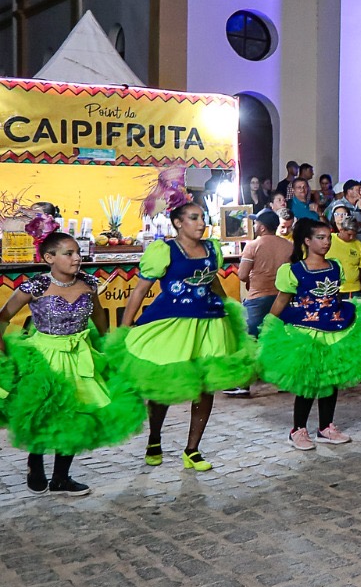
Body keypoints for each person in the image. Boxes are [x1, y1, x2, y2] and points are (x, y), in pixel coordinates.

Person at [107, 192, 256, 472]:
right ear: (178, 222)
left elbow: (213, 284)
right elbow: (141, 289)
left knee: (206, 385)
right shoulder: (164, 250)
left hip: (210, 324)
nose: (201, 223)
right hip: (172, 324)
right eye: (193, 218)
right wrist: (125, 327)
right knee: (165, 382)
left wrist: (228, 309)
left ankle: (193, 449)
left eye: (203, 218)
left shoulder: (212, 249)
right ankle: (154, 438)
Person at [0, 232, 141, 495]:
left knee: (78, 412)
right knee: (43, 411)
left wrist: (106, 348)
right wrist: (5, 352)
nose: (77, 258)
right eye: (69, 253)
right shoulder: (35, 287)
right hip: (44, 357)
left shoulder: (89, 283)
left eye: (78, 252)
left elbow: (100, 316)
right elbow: (3, 317)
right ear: (49, 258)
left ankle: (61, 478)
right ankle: (35, 460)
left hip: (80, 356)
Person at [258, 218, 361, 449]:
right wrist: (269, 327)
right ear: (307, 241)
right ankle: (298, 430)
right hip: (306, 332)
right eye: (320, 238)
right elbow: (281, 300)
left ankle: (325, 427)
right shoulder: (293, 270)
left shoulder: (335, 266)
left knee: (330, 380)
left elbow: (336, 297)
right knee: (309, 382)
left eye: (327, 237)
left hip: (335, 328)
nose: (326, 243)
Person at [234, 208, 294, 391]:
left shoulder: (253, 246)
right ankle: (284, 381)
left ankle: (243, 385)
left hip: (257, 298)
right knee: (280, 339)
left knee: (249, 340)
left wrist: (248, 281)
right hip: (282, 298)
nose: (254, 225)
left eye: (256, 222)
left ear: (261, 227)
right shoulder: (289, 246)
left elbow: (242, 274)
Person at [328, 207, 361, 299]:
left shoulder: (358, 245)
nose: (352, 237)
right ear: (341, 230)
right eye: (349, 234)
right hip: (331, 289)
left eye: (354, 234)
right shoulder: (329, 239)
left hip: (353, 290)